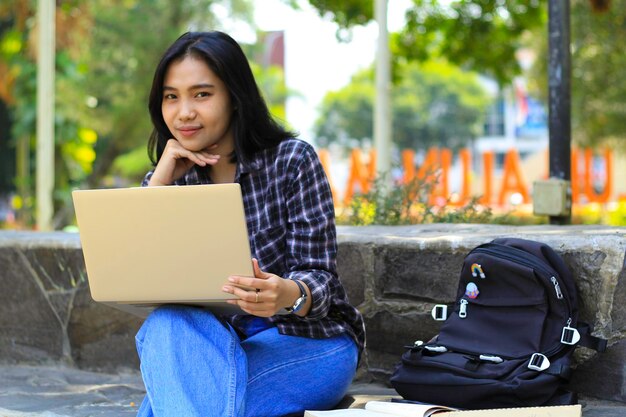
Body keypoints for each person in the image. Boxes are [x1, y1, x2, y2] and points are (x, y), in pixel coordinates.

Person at [135, 31, 366, 417]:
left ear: (235, 98)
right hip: (219, 342)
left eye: (202, 94)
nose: (184, 112)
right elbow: (137, 275)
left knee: (163, 411)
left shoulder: (291, 161)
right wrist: (160, 182)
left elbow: (323, 280)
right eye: (171, 96)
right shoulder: (168, 176)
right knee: (165, 323)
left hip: (309, 340)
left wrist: (288, 292)